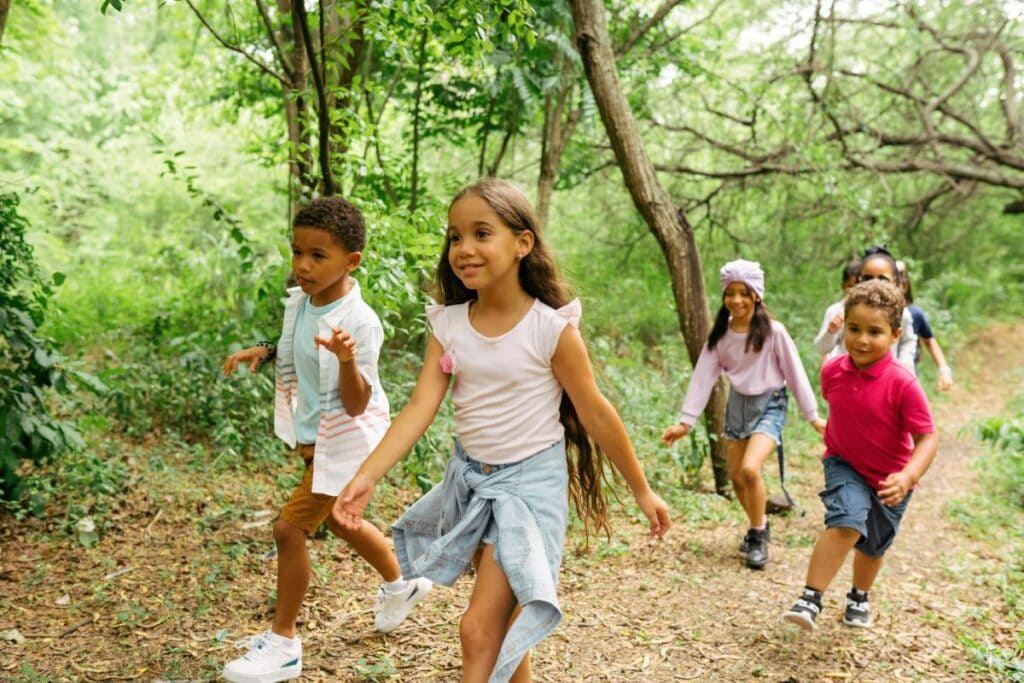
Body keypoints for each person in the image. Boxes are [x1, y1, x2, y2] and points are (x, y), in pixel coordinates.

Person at [333, 178, 671, 683]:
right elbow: (420, 409)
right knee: (505, 621)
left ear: (522, 243)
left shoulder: (550, 330)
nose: (464, 249)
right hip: (471, 482)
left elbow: (596, 413)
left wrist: (642, 490)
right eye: (454, 237)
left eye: (481, 233)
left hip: (529, 491)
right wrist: (367, 475)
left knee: (477, 630)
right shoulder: (448, 325)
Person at [219, 197, 431, 683]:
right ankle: (403, 584)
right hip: (319, 442)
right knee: (341, 521)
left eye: (318, 256)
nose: (303, 266)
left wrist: (348, 360)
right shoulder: (302, 302)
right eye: (297, 252)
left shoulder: (361, 322)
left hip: (351, 442)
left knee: (288, 531)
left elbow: (357, 403)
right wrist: (268, 350)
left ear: (351, 261)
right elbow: (298, 342)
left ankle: (284, 644)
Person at [782, 280, 939, 631]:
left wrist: (908, 476)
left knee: (872, 548)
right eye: (854, 329)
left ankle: (859, 595)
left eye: (875, 332)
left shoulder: (903, 383)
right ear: (843, 326)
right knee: (847, 521)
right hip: (843, 464)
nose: (862, 340)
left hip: (890, 480)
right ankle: (810, 597)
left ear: (895, 334)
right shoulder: (832, 371)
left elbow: (927, 437)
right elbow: (839, 408)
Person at [662, 260, 826, 570]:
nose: (737, 300)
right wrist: (685, 422)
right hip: (737, 405)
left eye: (744, 293)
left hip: (771, 403)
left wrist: (813, 416)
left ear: (757, 296)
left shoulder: (774, 332)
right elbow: (703, 377)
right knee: (736, 477)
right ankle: (759, 522)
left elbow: (795, 372)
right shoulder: (722, 335)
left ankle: (758, 533)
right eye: (730, 293)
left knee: (751, 469)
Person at [814, 246, 918, 372]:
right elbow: (821, 348)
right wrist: (831, 331)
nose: (875, 283)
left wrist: (906, 366)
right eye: (868, 278)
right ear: (859, 279)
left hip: (886, 380)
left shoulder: (900, 313)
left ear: (894, 281)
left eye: (882, 278)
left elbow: (908, 341)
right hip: (848, 379)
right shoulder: (841, 309)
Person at [896, 260, 953, 391]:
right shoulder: (876, 314)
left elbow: (930, 342)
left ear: (905, 286)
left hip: (908, 378)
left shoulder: (914, 314)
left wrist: (944, 371)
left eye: (901, 279)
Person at [813, 259, 861, 365]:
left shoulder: (876, 311)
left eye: (859, 286)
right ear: (843, 286)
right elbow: (821, 348)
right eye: (850, 287)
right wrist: (830, 331)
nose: (854, 291)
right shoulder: (835, 311)